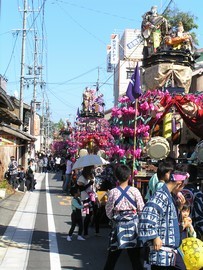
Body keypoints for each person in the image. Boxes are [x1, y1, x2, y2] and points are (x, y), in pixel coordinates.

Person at [138, 171, 188, 270]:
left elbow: (167, 218)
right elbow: (147, 215)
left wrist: (179, 208)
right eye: (183, 186)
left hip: (168, 250)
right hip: (161, 249)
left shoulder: (167, 195)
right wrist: (155, 236)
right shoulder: (161, 195)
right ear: (179, 184)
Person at [103, 164, 145, 270]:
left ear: (116, 177)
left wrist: (114, 218)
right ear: (129, 177)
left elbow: (108, 211)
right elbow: (141, 209)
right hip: (133, 227)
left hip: (118, 226)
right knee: (135, 259)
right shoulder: (135, 191)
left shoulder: (113, 192)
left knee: (112, 259)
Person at [77, 166, 100, 237]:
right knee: (88, 215)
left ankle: (97, 232)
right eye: (91, 169)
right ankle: (86, 233)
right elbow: (81, 189)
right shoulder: (82, 178)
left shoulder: (93, 176)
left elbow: (94, 188)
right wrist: (89, 184)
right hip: (86, 198)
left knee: (96, 214)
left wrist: (96, 196)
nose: (93, 170)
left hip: (93, 197)